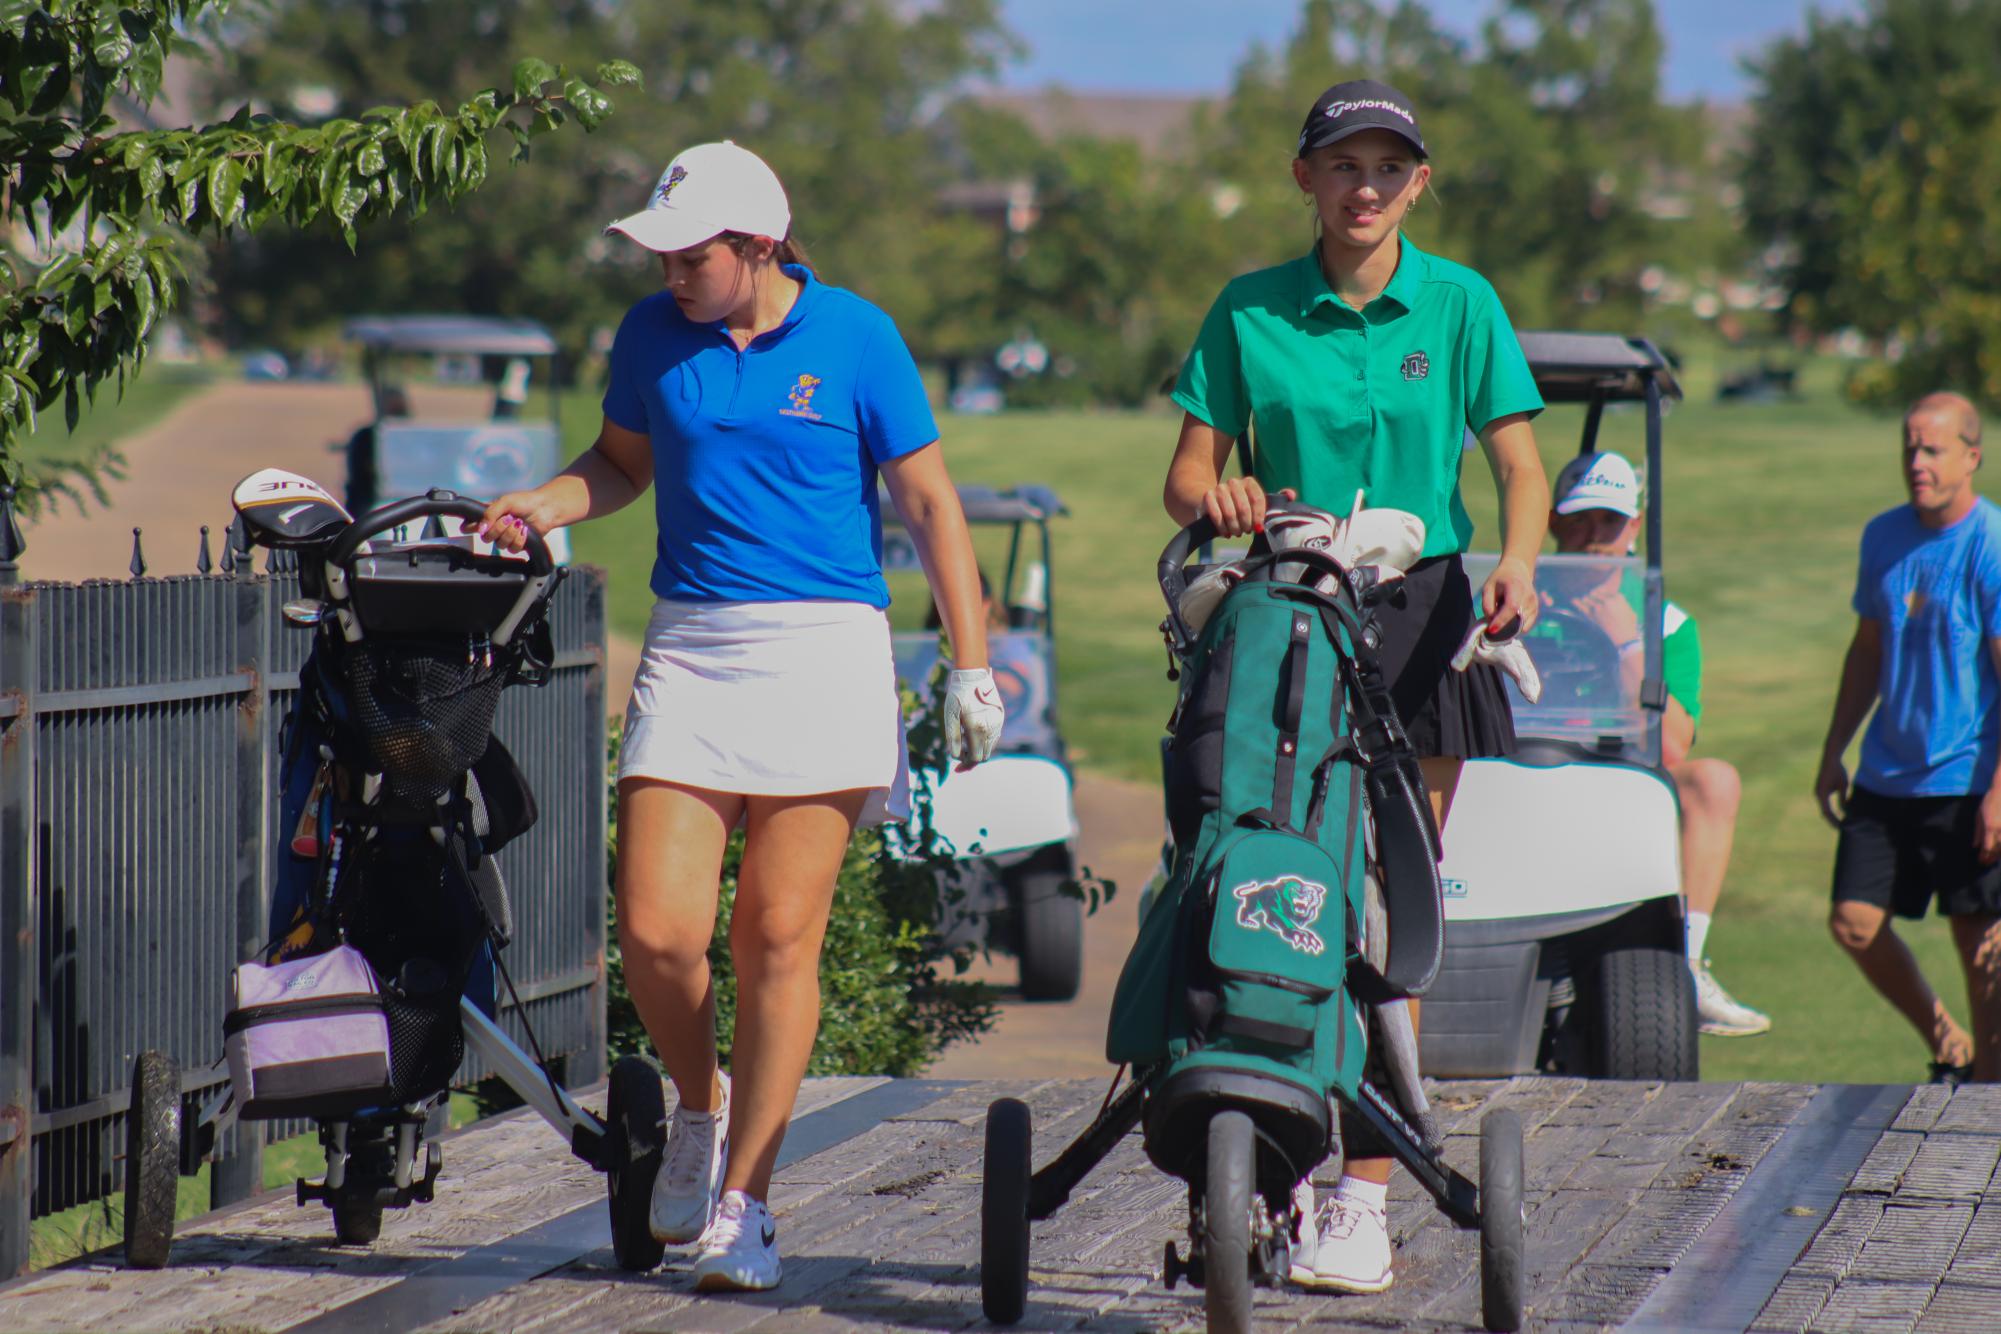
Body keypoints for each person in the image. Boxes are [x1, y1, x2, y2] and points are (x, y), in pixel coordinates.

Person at [471, 141, 1004, 1291]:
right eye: (660, 251)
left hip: (825, 650)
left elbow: (928, 503)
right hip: (697, 646)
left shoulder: (858, 335)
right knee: (659, 931)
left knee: (774, 930)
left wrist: (973, 664)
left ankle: (748, 1206)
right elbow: (618, 466)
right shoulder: (652, 336)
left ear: (759, 246)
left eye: (691, 252)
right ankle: (700, 1108)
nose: (670, 271)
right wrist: (545, 504)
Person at [1163, 78, 1549, 1294]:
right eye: (1343, 164)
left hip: (1420, 609)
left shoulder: (1463, 302)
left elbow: (1520, 466)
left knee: (1386, 895)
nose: (1365, 186)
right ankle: (1266, 1130)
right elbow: (1187, 474)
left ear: (1418, 183)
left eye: (1389, 166)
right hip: (1284, 603)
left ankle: (1364, 1193)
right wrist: (1217, 497)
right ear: (1306, 179)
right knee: (1269, 859)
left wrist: (1522, 563)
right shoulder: (1249, 310)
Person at [1545, 450, 1771, 1036]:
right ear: (1553, 524)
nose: (1595, 539)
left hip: (1621, 780)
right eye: (1580, 521)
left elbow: (1672, 746)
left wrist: (1624, 640)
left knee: (1714, 779)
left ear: (1634, 529)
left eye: (1610, 523)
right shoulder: (1517, 603)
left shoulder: (1665, 623)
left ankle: (1687, 964)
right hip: (1527, 775)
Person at [1817, 391, 2001, 1086]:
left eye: (1932, 449)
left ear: (1971, 456)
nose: (1915, 462)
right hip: (1886, 772)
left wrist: (1996, 795)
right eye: (1908, 448)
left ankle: (1986, 1091)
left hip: (1966, 776)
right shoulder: (1883, 536)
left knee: (1978, 944)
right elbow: (1866, 649)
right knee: (1852, 921)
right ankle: (1946, 1040)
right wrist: (1834, 747)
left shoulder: (1990, 545)